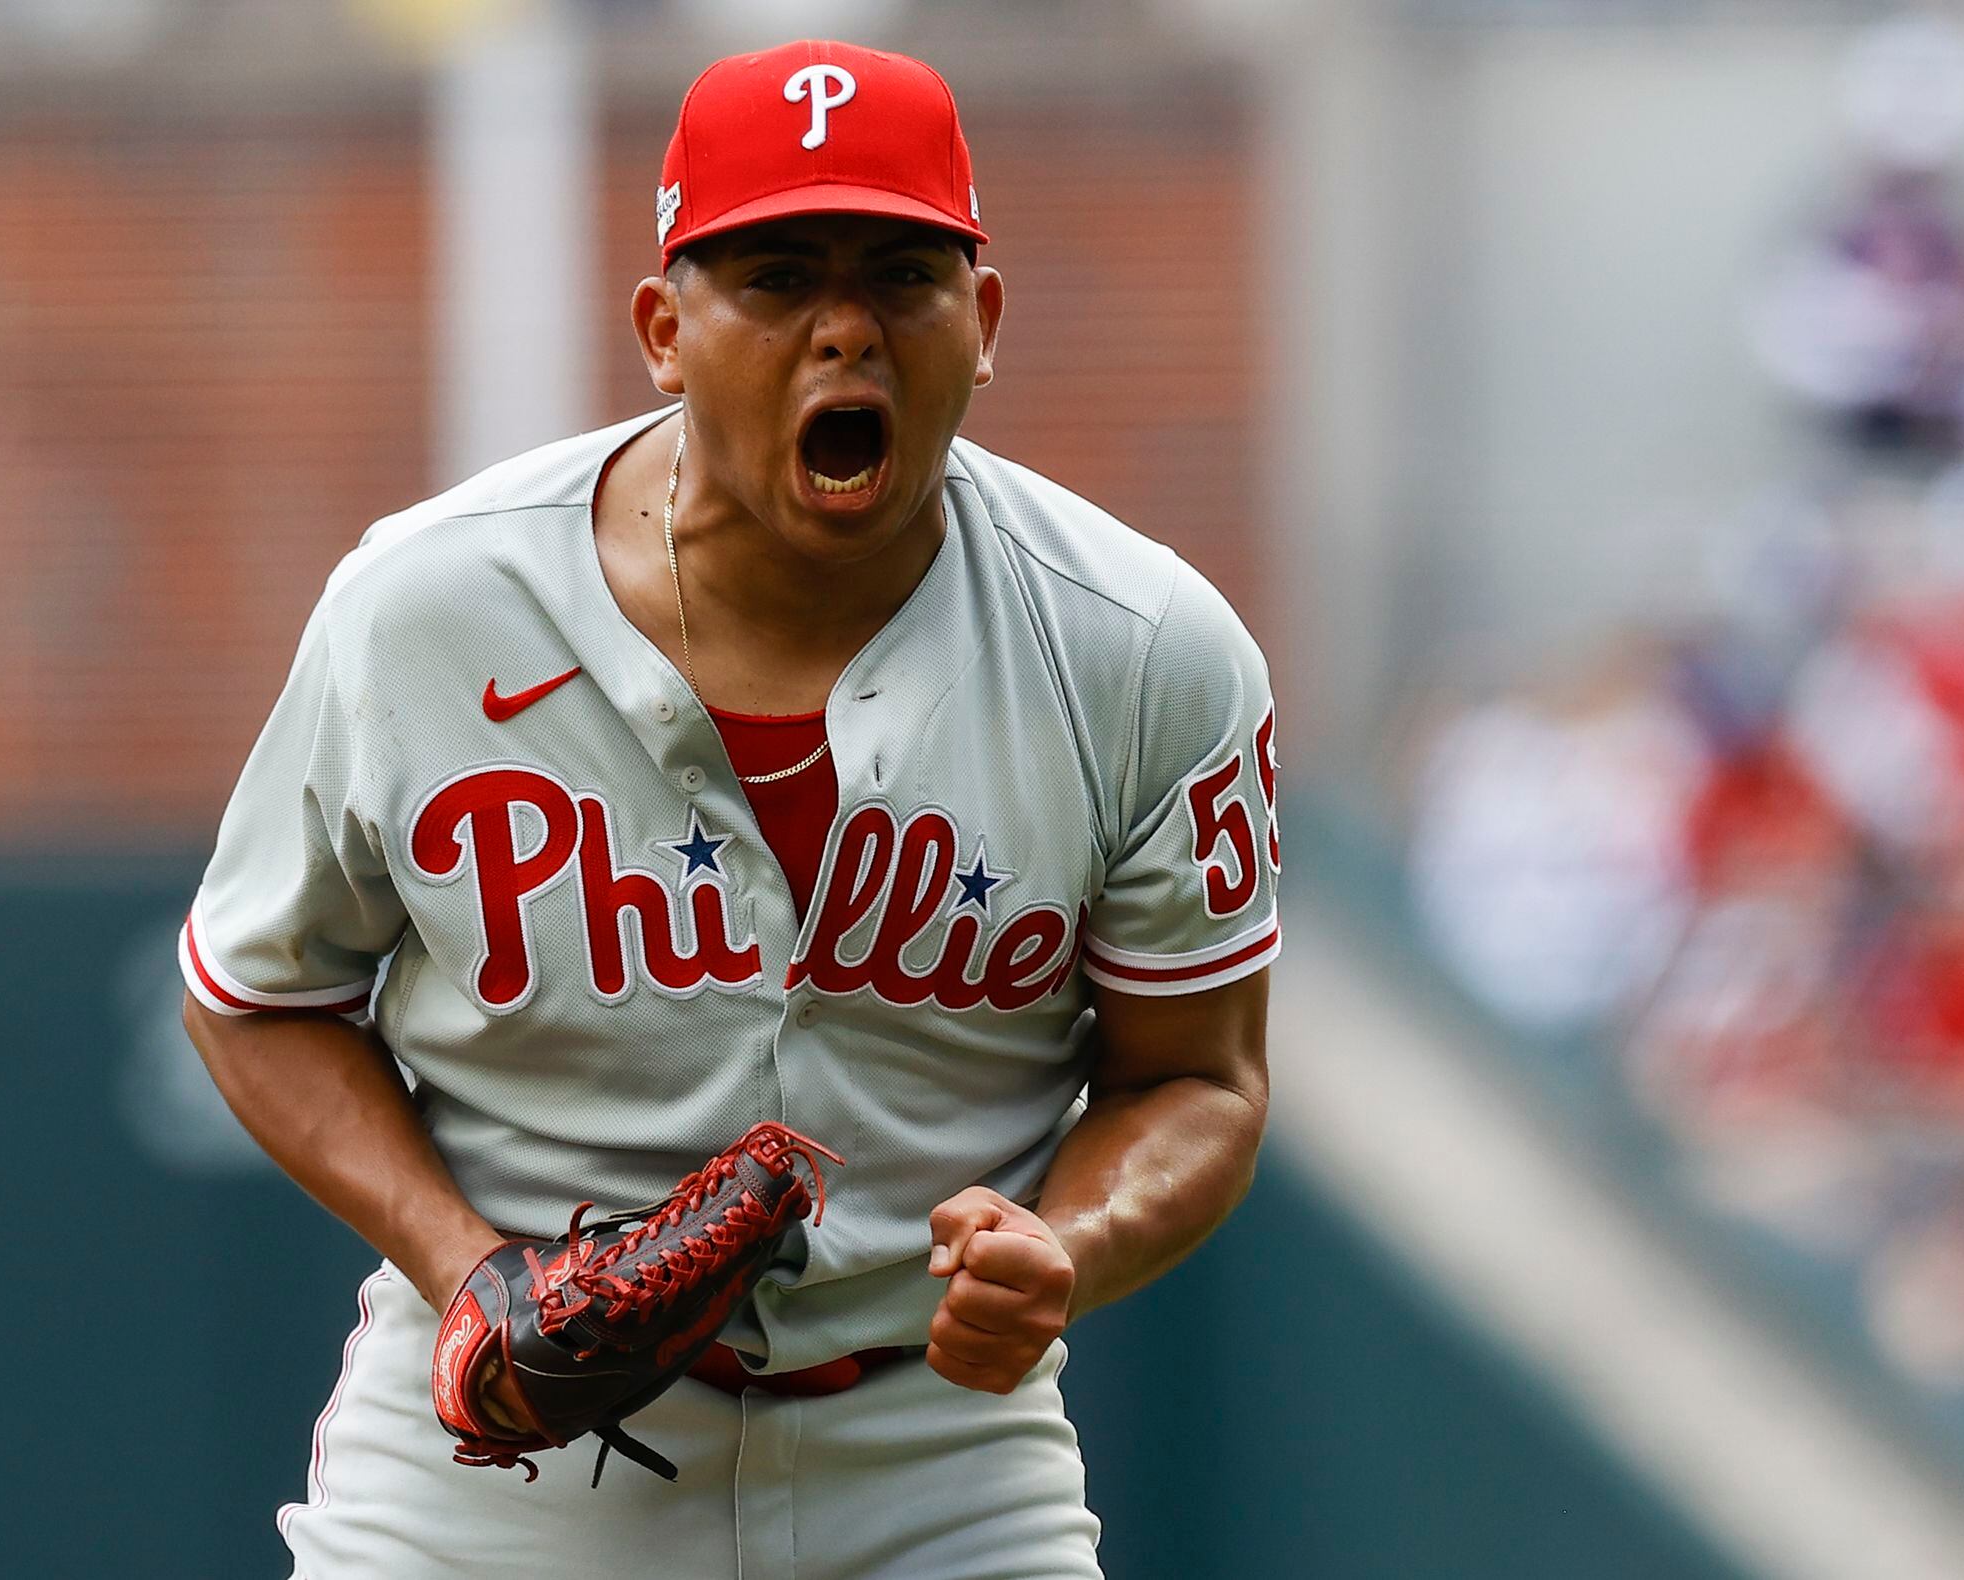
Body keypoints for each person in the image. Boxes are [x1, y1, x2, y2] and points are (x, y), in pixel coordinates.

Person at [179, 38, 1277, 1579]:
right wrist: (467, 1269)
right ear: (664, 331)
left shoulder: (1139, 647)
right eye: (775, 280)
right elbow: (252, 995)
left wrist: (1068, 1250)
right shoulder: (426, 608)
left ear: (987, 322)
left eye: (902, 276)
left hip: (934, 1453)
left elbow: (1200, 1084)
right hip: (502, 1474)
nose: (845, 331)